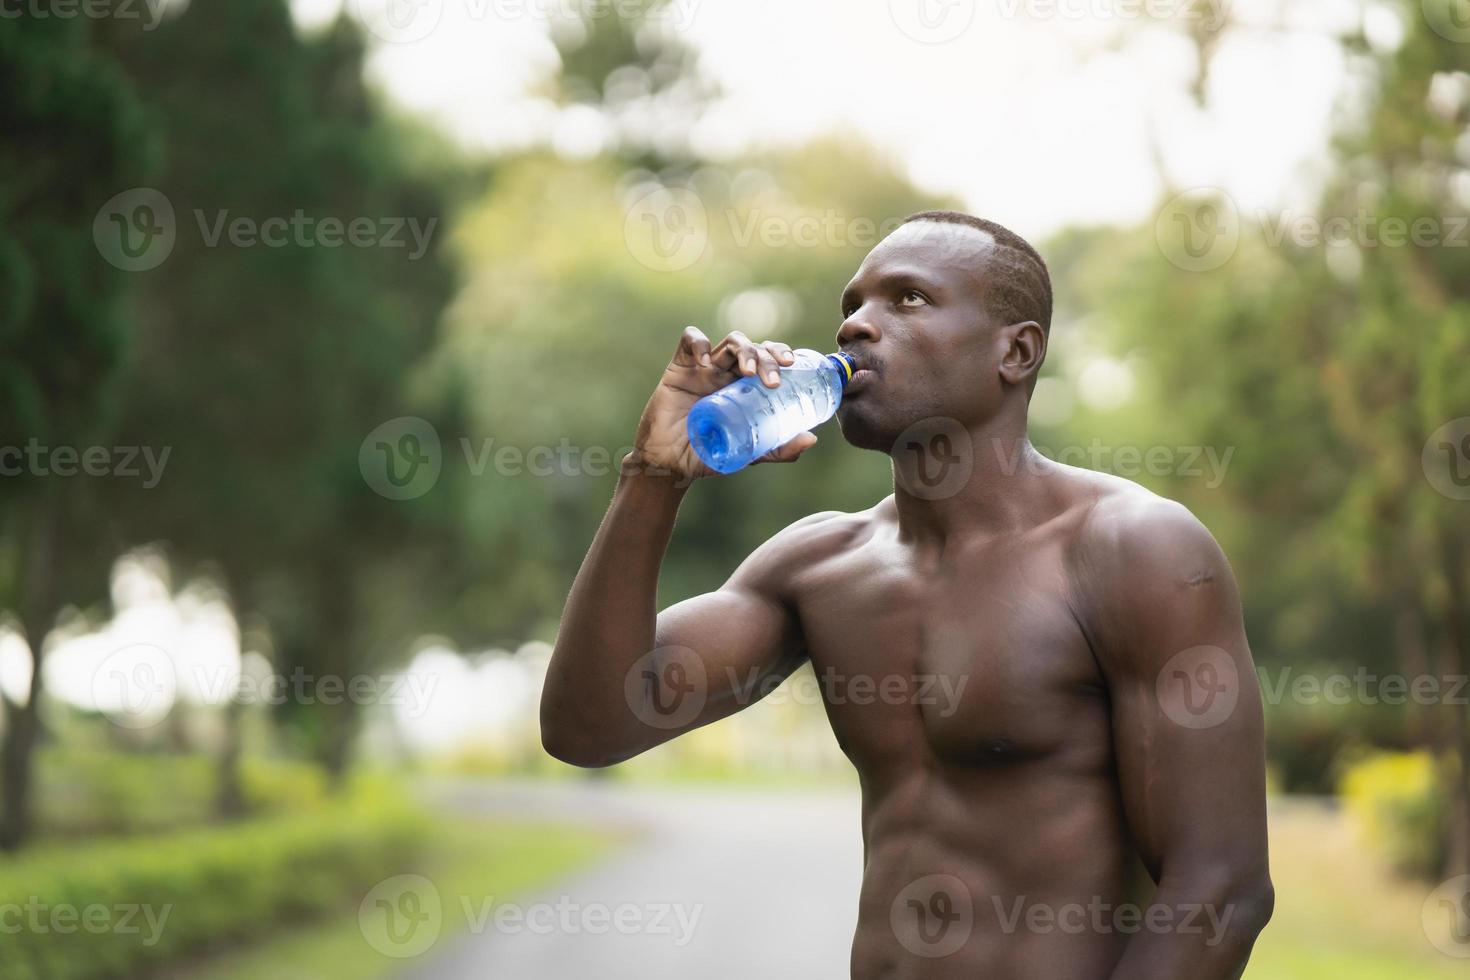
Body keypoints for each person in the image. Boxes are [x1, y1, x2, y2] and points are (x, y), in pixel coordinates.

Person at [540, 210, 1273, 978]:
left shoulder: (1134, 550)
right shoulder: (819, 566)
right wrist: (653, 476)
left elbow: (1218, 892)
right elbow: (591, 726)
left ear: (1015, 352)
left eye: (908, 299)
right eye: (851, 305)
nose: (857, 325)